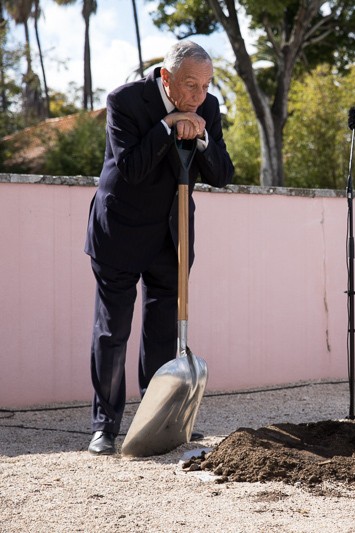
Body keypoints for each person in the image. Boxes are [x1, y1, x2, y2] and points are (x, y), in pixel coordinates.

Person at [84, 40, 235, 455]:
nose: (199, 96)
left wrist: (202, 136)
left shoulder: (208, 107)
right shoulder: (125, 101)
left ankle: (155, 421)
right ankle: (106, 427)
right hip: (120, 230)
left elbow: (222, 173)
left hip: (172, 236)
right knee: (113, 331)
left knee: (162, 330)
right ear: (166, 77)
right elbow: (131, 169)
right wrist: (168, 125)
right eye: (190, 86)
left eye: (205, 86)